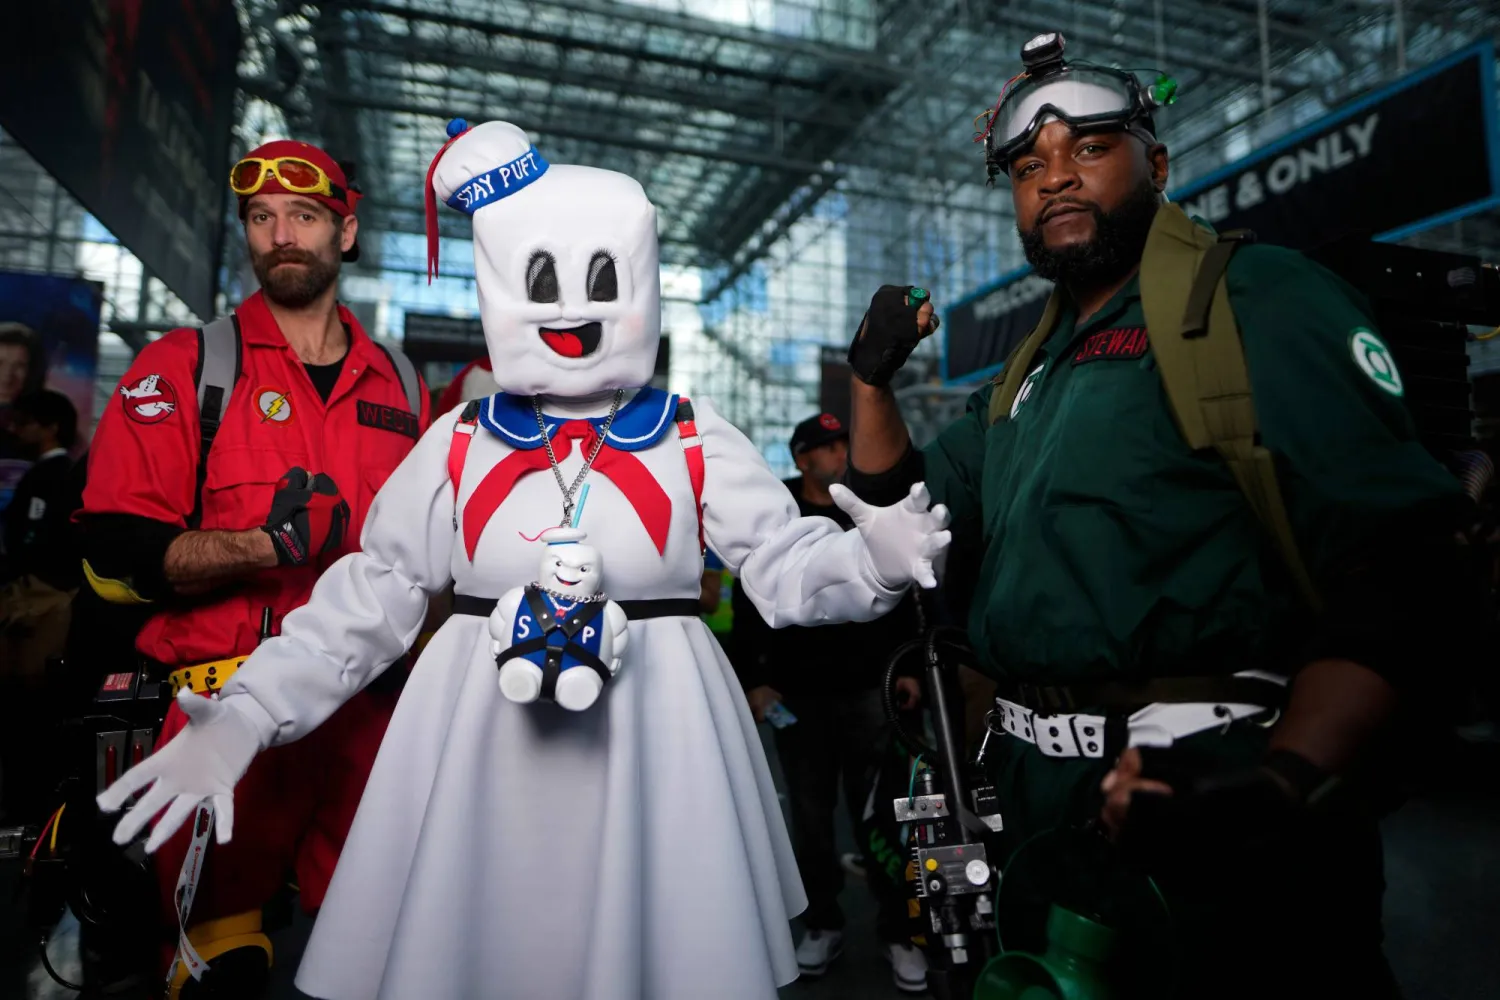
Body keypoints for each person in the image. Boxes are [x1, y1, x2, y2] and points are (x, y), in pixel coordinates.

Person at [95, 119, 951, 1000]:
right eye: (538, 279)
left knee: (662, 951)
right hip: (479, 729)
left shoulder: (691, 433)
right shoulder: (459, 439)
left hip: (656, 725)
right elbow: (374, 592)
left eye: (598, 278)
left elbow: (783, 563)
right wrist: (250, 709)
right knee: (473, 946)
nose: (568, 307)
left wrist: (869, 565)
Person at [842, 32, 1471, 1000]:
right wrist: (871, 381)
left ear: (1157, 163)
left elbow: (1398, 563)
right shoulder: (1027, 371)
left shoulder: (1257, 298)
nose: (1054, 179)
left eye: (1089, 149)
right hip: (1039, 809)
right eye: (1026, 167)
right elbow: (908, 510)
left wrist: (1282, 784)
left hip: (1202, 786)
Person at [77, 139, 429, 998]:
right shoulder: (188, 368)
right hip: (222, 715)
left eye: (304, 217)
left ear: (345, 233)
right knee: (216, 965)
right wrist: (265, 546)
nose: (282, 236)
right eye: (263, 219)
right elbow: (113, 556)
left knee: (382, 956)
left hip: (370, 725)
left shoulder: (407, 386)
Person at [731, 412, 928, 992]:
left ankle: (898, 934)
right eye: (826, 446)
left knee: (886, 818)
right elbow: (748, 605)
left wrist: (910, 668)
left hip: (873, 689)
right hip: (799, 696)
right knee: (812, 823)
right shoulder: (777, 513)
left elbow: (908, 589)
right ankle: (823, 923)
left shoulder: (868, 503)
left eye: (844, 441)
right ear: (800, 460)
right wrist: (754, 682)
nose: (841, 451)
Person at [0, 390, 83, 819]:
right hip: (39, 599)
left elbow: (37, 539)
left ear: (50, 426)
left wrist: (29, 579)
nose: (17, 429)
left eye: (27, 421)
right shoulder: (52, 474)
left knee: (27, 703)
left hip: (41, 604)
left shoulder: (53, 476)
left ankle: (25, 807)